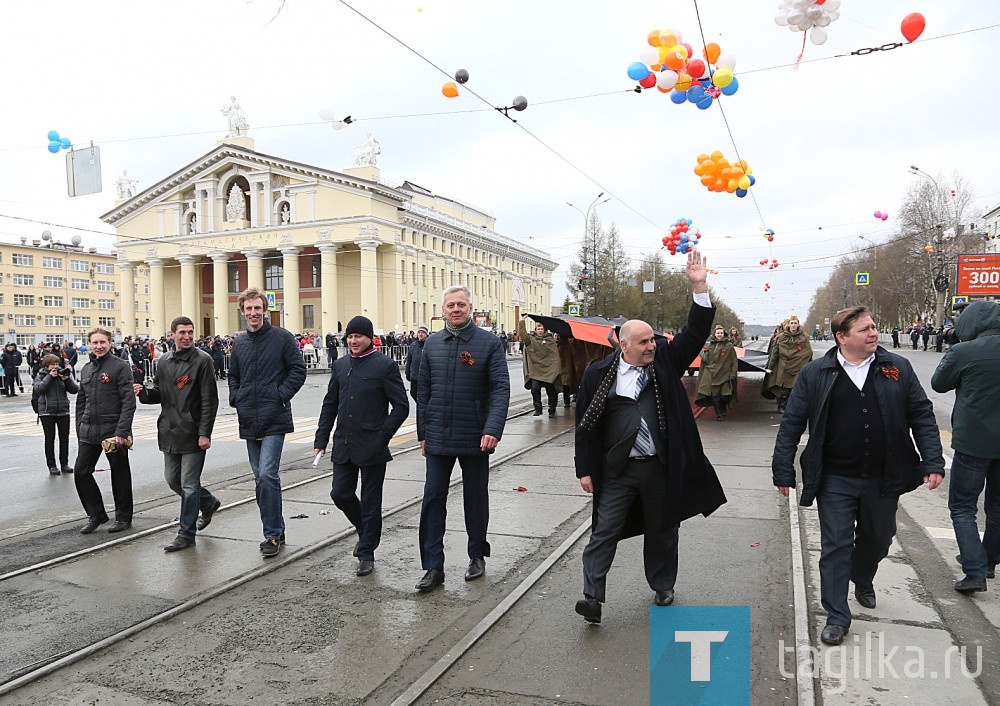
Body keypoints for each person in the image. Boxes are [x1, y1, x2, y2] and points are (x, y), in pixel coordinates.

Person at [772, 306, 944, 646]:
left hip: (884, 475)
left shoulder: (896, 367)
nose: (873, 334)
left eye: (874, 327)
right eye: (865, 329)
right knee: (836, 545)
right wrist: (783, 468)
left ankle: (862, 575)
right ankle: (836, 616)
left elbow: (921, 414)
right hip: (835, 476)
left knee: (879, 537)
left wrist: (933, 460)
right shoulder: (815, 372)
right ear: (842, 337)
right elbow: (792, 422)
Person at [573, 251, 726, 624]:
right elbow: (585, 427)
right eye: (643, 343)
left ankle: (662, 585)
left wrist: (699, 287)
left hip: (660, 466)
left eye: (653, 341)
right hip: (618, 470)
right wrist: (584, 470)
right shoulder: (597, 375)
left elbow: (695, 333)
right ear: (623, 345)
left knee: (662, 529)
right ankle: (592, 596)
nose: (652, 346)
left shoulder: (664, 364)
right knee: (603, 530)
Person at [415, 285, 510, 592]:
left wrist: (492, 429)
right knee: (432, 500)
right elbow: (423, 391)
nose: (455, 310)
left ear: (471, 308)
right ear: (442, 310)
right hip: (439, 435)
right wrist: (422, 434)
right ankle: (433, 566)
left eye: (461, 305)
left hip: (475, 436)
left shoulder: (489, 343)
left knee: (475, 498)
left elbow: (500, 389)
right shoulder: (432, 344)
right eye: (450, 306)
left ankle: (477, 554)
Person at [313, 316, 409, 577]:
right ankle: (365, 530)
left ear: (369, 338)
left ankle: (366, 552)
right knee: (340, 494)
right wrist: (321, 440)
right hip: (344, 443)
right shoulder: (341, 365)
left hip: (372, 446)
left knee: (370, 501)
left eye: (359, 336)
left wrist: (383, 435)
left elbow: (401, 406)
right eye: (350, 337)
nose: (353, 341)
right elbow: (330, 403)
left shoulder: (384, 366)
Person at [228, 287, 307, 558]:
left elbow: (298, 370)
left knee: (266, 474)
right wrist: (235, 397)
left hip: (274, 416)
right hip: (248, 417)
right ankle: (277, 528)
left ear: (265, 310)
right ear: (243, 312)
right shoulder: (239, 343)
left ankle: (271, 535)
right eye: (248, 309)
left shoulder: (282, 338)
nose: (253, 313)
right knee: (260, 479)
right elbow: (233, 375)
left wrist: (280, 395)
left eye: (257, 308)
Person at [135, 316, 222, 553]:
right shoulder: (164, 361)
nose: (186, 337)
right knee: (173, 480)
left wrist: (205, 433)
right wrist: (144, 393)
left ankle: (186, 534)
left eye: (190, 332)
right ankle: (209, 502)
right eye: (181, 332)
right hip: (169, 431)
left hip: (193, 432)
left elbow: (209, 401)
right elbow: (161, 394)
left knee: (189, 485)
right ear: (172, 334)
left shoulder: (203, 361)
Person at [931, 301, 1000, 593]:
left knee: (962, 507)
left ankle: (974, 571)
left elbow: (938, 384)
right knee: (997, 508)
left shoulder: (964, 351)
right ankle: (986, 562)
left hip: (973, 442)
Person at [74, 327, 137, 534]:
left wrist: (122, 431)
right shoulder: (86, 368)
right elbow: (81, 401)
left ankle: (123, 518)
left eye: (103, 342)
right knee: (81, 472)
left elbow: (128, 402)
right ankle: (97, 515)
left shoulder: (120, 367)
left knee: (119, 474)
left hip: (113, 431)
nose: (99, 346)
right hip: (89, 430)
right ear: (89, 344)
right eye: (95, 343)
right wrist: (79, 426)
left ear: (110, 343)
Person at [33, 354, 78, 475]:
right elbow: (38, 389)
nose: (55, 367)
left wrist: (66, 379)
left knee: (64, 438)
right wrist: (49, 377)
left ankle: (64, 463)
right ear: (47, 365)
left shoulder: (62, 374)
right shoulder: (41, 375)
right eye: (53, 364)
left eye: (57, 364)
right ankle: (52, 465)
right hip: (47, 412)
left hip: (63, 410)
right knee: (50, 438)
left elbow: (75, 389)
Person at [764, 315, 813, 413]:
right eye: (792, 323)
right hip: (784, 367)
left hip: (798, 366)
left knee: (795, 388)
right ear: (788, 325)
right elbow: (775, 353)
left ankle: (792, 407)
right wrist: (769, 367)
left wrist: (812, 368)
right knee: (783, 389)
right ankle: (782, 406)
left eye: (795, 323)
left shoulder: (803, 337)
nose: (793, 325)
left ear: (798, 324)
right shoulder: (781, 337)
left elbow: (808, 353)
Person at [518, 316, 562, 417]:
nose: (540, 331)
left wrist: (555, 369)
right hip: (536, 370)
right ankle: (538, 409)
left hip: (549, 370)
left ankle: (552, 409)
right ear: (535, 330)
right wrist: (522, 321)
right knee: (535, 389)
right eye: (538, 329)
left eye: (542, 329)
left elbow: (554, 356)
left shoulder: (550, 340)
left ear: (545, 330)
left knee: (551, 391)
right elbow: (523, 335)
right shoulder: (531, 340)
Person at [695, 325, 738, 421]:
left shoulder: (729, 346)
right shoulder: (710, 346)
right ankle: (719, 414)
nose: (719, 335)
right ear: (714, 334)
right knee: (715, 396)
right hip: (712, 375)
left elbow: (734, 361)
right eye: (718, 333)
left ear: (724, 334)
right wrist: (701, 353)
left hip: (725, 375)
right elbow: (706, 360)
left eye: (721, 333)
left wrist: (733, 374)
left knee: (725, 396)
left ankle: (723, 407)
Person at [404, 326, 429, 400]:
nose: (420, 334)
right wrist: (407, 372)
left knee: (424, 395)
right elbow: (409, 359)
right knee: (413, 393)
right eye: (419, 332)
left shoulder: (429, 344)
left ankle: (423, 408)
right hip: (414, 375)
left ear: (426, 334)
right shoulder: (413, 345)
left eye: (423, 333)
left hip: (425, 376)